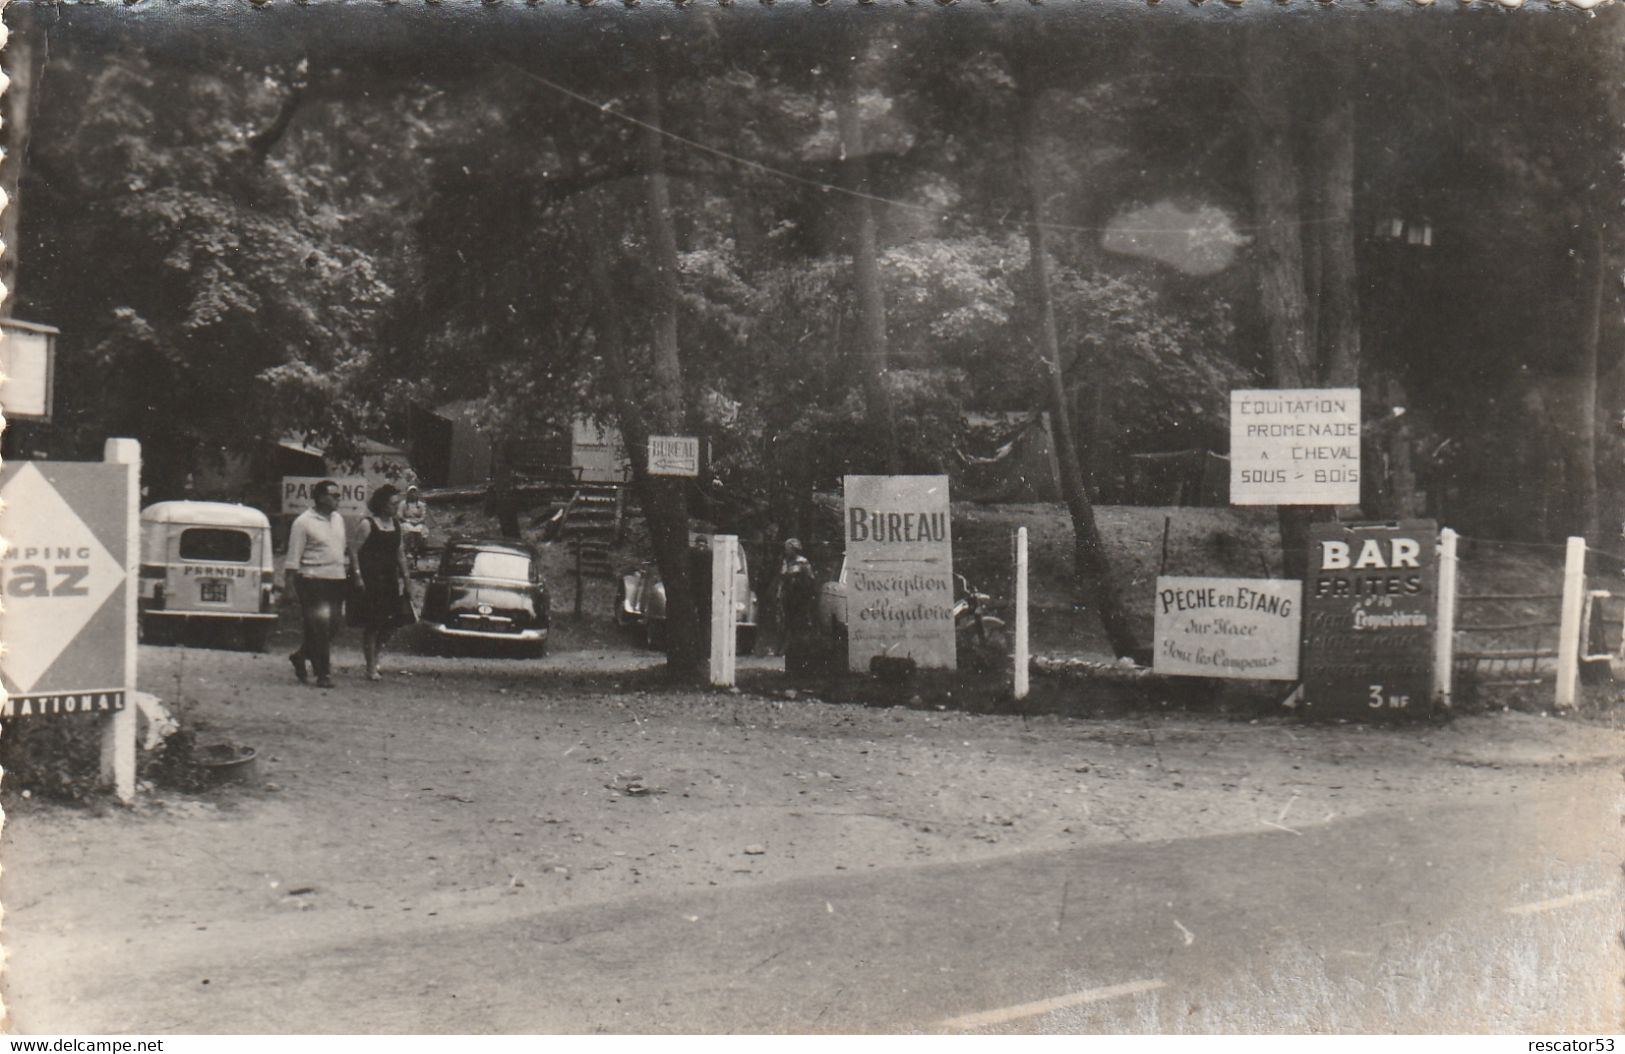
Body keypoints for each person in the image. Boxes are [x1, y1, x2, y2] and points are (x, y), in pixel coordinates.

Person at [284, 480, 355, 689]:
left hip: (336, 579)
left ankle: (301, 655)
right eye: (334, 495)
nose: (338, 499)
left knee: (333, 625)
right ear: (321, 497)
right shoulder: (303, 522)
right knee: (320, 626)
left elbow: (341, 548)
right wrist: (289, 586)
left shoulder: (338, 519)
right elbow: (293, 557)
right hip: (312, 580)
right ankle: (323, 673)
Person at [351, 484, 414, 681]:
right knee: (373, 623)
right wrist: (358, 575)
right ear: (382, 504)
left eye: (397, 503)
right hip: (371, 580)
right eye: (393, 503)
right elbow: (353, 551)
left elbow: (400, 554)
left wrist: (407, 578)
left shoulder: (396, 525)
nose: (396, 507)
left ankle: (376, 655)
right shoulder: (368, 524)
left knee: (391, 623)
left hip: (389, 580)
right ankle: (370, 665)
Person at [774, 537, 815, 656]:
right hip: (787, 596)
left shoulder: (803, 562)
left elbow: (810, 579)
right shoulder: (785, 562)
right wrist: (779, 594)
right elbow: (781, 579)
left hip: (800, 597)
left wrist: (806, 594)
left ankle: (797, 648)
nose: (786, 551)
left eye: (788, 548)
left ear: (794, 549)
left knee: (798, 623)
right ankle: (782, 648)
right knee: (784, 622)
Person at [400, 485, 429, 568]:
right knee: (406, 529)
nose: (413, 494)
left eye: (414, 492)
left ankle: (418, 550)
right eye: (411, 492)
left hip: (418, 523)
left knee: (420, 530)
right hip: (407, 522)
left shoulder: (421, 505)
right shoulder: (403, 504)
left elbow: (423, 516)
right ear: (408, 494)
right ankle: (408, 550)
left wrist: (417, 521)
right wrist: (408, 520)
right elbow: (399, 515)